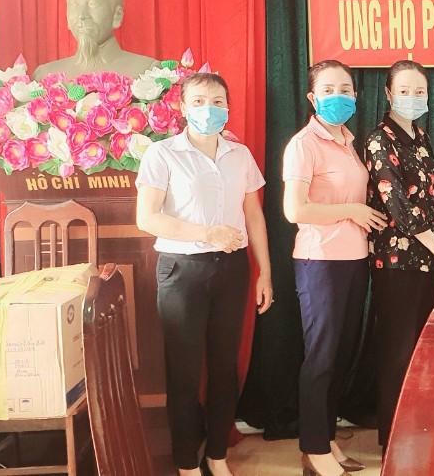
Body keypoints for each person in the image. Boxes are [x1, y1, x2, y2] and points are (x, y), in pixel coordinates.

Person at [135, 72, 273, 476]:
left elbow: (254, 216)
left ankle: (217, 456)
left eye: (217, 101)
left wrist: (265, 272)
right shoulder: (163, 154)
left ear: (228, 107)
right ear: (182, 107)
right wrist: (206, 233)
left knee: (224, 368)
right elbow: (147, 218)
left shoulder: (240, 155)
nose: (208, 109)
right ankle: (186, 463)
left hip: (231, 269)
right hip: (182, 271)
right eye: (198, 101)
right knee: (184, 372)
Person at [282, 60, 386, 476]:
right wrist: (352, 211)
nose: (337, 96)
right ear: (312, 97)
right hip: (320, 262)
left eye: (345, 89)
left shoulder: (348, 142)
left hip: (353, 260)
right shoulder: (303, 144)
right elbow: (295, 210)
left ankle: (326, 441)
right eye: (328, 89)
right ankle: (313, 449)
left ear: (356, 96)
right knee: (321, 357)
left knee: (341, 355)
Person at [364, 60, 434, 449]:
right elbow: (397, 203)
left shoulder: (420, 136)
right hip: (396, 261)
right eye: (404, 91)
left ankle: (418, 430)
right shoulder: (378, 139)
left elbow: (427, 190)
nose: (412, 97)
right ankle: (393, 439)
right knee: (397, 350)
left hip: (424, 261)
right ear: (389, 94)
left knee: (421, 347)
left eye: (419, 91)